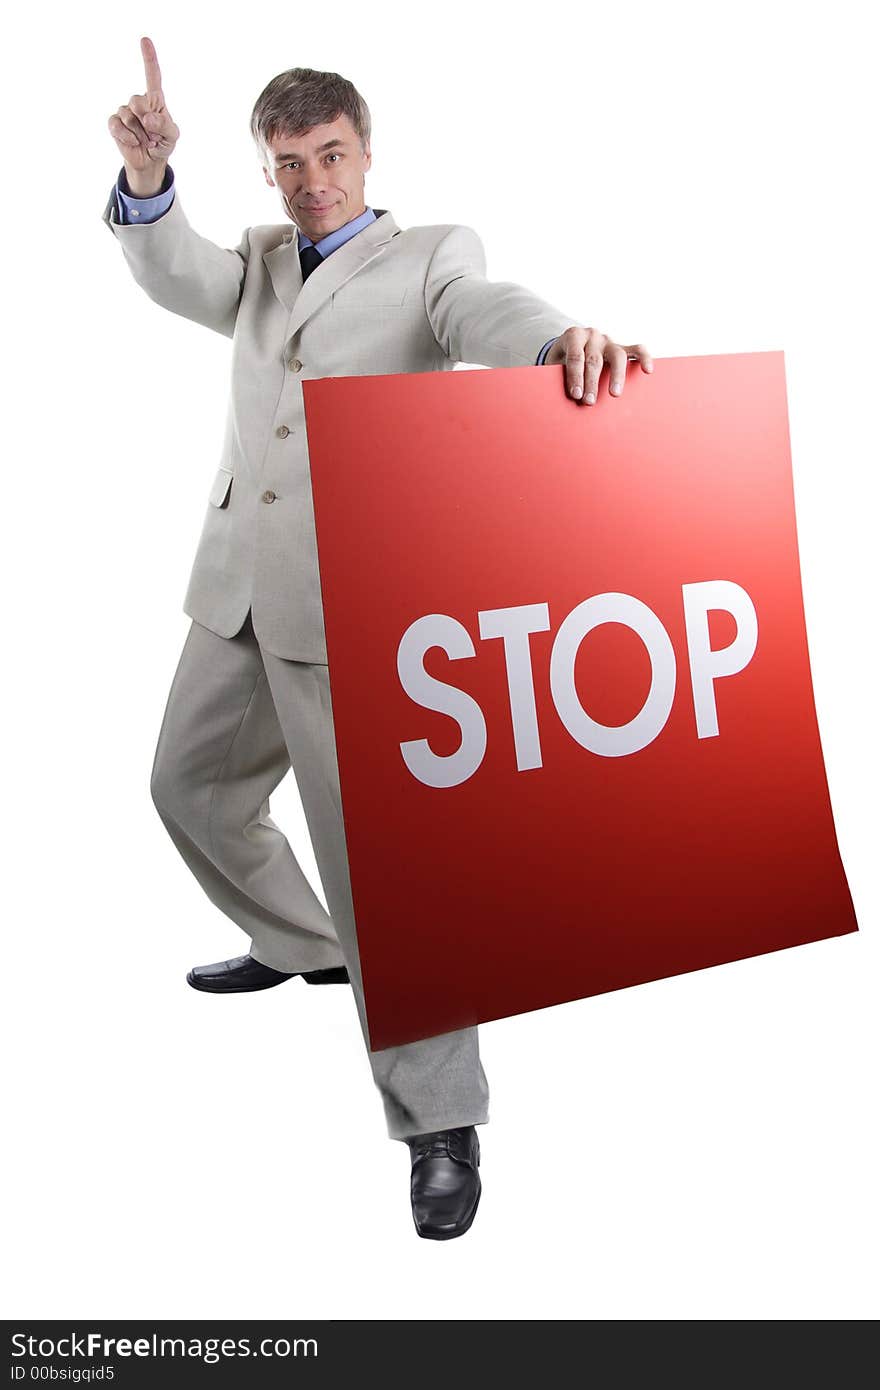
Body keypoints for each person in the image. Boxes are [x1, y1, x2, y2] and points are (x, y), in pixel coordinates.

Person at [103, 35, 653, 1241]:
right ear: (268, 171)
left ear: (366, 152)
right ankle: (306, 944)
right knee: (186, 786)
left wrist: (558, 337)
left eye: (331, 156)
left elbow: (484, 310)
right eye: (288, 163)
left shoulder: (427, 259)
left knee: (392, 887)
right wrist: (149, 182)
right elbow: (171, 273)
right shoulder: (255, 261)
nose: (312, 182)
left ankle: (440, 1123)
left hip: (355, 606)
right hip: (238, 589)